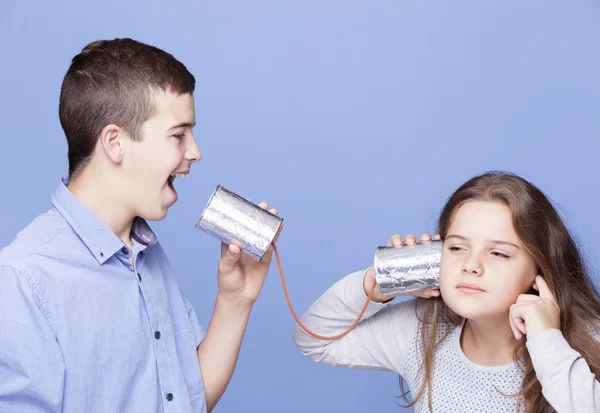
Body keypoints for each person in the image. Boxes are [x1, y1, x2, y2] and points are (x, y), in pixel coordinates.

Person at [0, 38, 279, 413]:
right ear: (115, 143)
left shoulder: (144, 252)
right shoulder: (22, 282)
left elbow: (185, 401)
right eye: (178, 134)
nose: (195, 151)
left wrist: (235, 302)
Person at [293, 171, 600, 412]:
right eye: (456, 247)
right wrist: (379, 282)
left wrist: (548, 342)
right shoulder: (421, 331)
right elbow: (313, 339)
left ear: (539, 269)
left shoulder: (587, 339)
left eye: (499, 254)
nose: (471, 265)